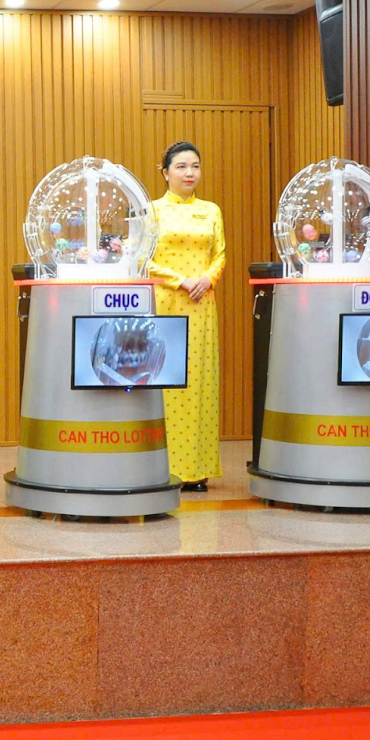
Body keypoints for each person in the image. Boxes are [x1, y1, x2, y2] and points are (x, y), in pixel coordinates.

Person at [148, 140, 225, 491]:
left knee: (199, 382)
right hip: (165, 302)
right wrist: (181, 281)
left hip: (201, 303)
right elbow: (143, 258)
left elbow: (220, 254)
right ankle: (164, 467)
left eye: (194, 166)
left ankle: (197, 468)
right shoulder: (152, 211)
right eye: (180, 167)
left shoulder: (211, 210)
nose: (189, 173)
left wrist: (208, 278)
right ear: (165, 173)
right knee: (165, 380)